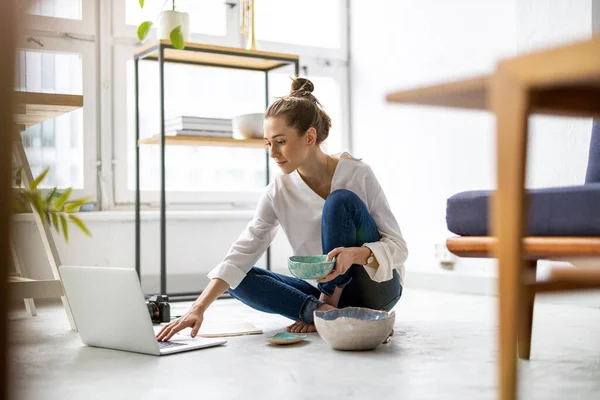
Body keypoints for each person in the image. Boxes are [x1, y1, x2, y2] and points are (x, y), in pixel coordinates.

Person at [157, 77, 408, 339]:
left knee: (339, 201)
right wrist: (197, 308)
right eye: (268, 143)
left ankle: (328, 307)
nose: (273, 153)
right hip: (322, 294)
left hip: (376, 289)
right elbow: (243, 250)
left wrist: (354, 255)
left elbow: (399, 249)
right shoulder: (277, 190)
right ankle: (320, 310)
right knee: (236, 278)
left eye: (280, 141)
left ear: (309, 136)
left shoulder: (358, 174)